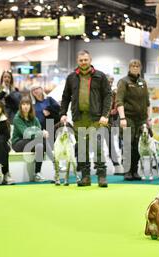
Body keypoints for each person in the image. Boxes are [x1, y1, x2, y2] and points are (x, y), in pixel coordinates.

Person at [60, 50, 111, 187]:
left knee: (98, 146)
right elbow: (65, 97)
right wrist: (63, 113)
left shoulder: (100, 76)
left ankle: (101, 176)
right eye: (81, 60)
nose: (83, 62)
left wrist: (105, 115)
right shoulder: (71, 77)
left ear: (90, 60)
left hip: (96, 118)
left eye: (86, 60)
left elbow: (107, 96)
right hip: (79, 118)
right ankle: (85, 177)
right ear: (78, 61)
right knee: (82, 149)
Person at [116, 59, 152, 181]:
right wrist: (122, 118)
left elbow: (147, 102)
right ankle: (127, 170)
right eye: (133, 66)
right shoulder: (123, 82)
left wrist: (148, 119)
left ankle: (135, 170)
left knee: (138, 145)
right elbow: (119, 100)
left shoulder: (143, 82)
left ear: (140, 68)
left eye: (137, 66)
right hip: (128, 118)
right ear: (129, 67)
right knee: (127, 144)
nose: (135, 68)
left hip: (141, 119)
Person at [12, 97, 49, 182]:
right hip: (18, 143)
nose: (26, 106)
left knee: (40, 144)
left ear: (31, 106)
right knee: (40, 142)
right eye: (23, 104)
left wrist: (43, 133)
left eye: (28, 104)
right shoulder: (17, 118)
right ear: (20, 106)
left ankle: (37, 173)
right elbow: (25, 133)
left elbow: (39, 130)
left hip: (32, 142)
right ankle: (55, 162)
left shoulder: (34, 118)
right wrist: (40, 133)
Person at [106, 74, 123, 175]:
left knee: (111, 143)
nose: (110, 83)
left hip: (110, 122)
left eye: (111, 81)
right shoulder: (98, 92)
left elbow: (116, 104)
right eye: (109, 81)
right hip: (97, 122)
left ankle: (116, 164)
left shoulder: (114, 93)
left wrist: (114, 110)